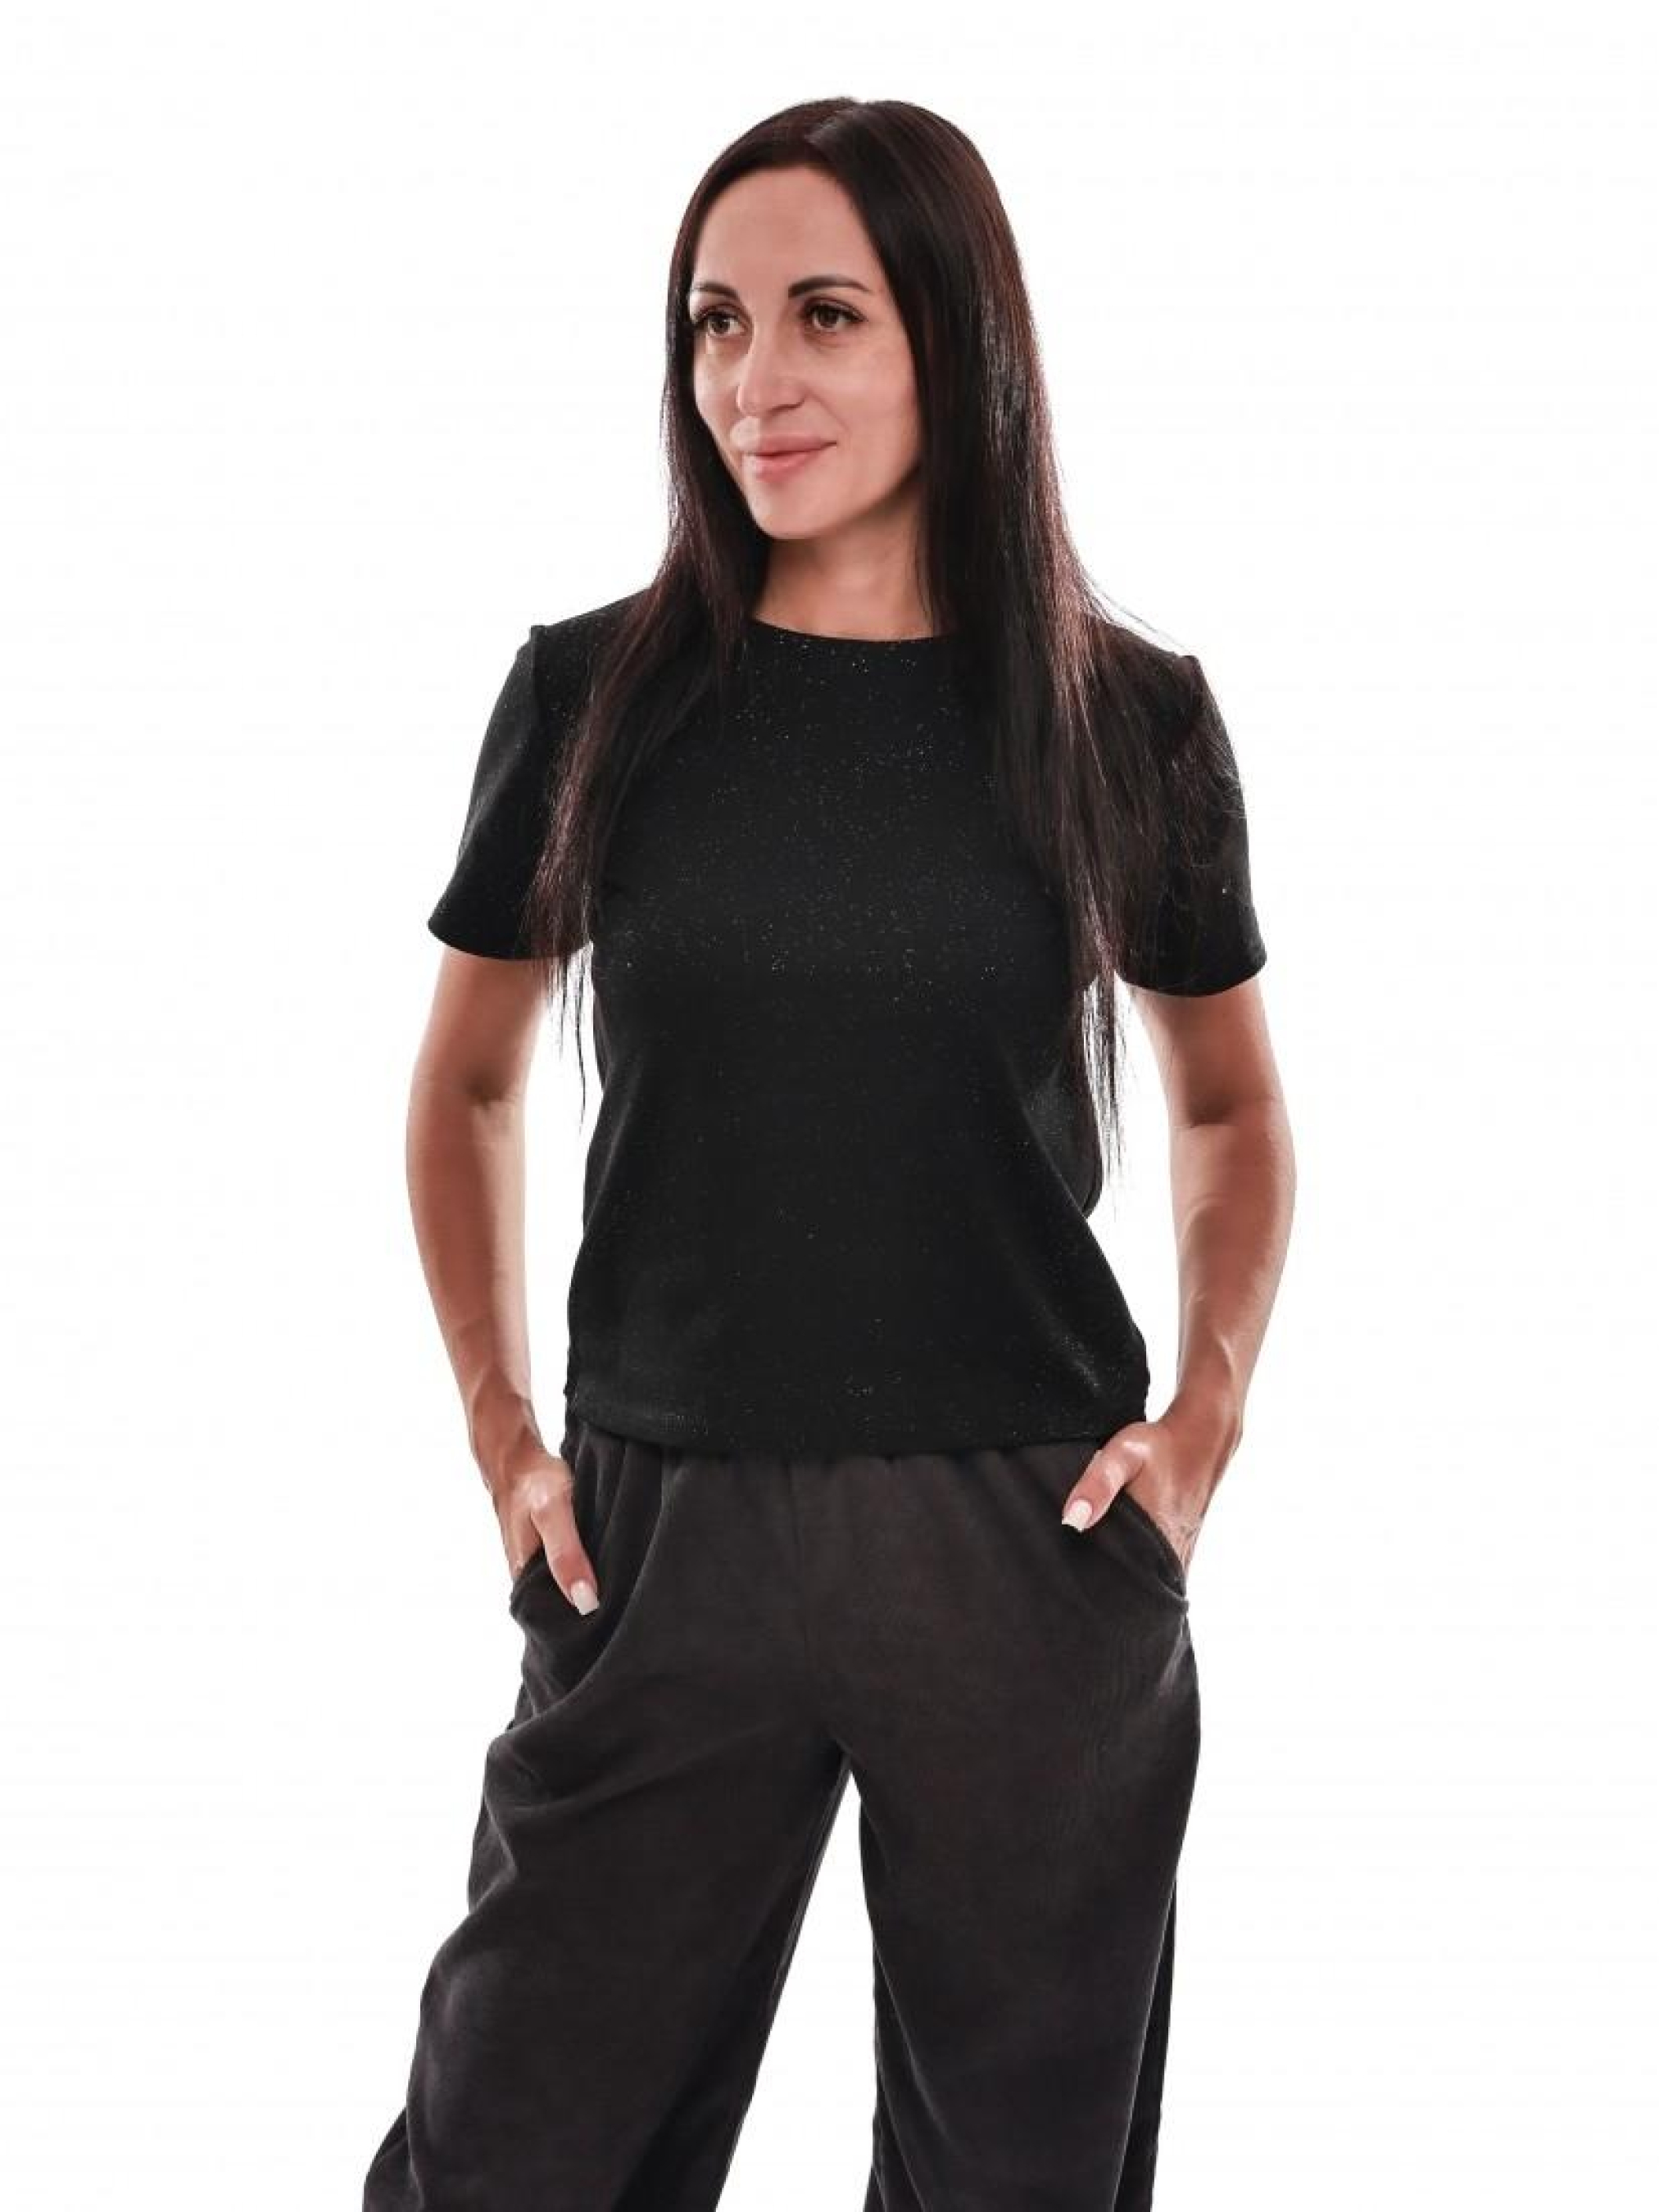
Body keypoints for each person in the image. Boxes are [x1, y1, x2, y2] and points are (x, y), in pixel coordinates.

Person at [363, 97, 1294, 2212]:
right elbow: (471, 1082)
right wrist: (506, 1437)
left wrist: (1205, 1421)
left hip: (1025, 1537)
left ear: (958, 337)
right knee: (511, 2147)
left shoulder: (1127, 719)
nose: (750, 380)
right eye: (713, 321)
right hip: (653, 1530)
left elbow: (1230, 1102)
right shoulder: (593, 697)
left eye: (823, 315)